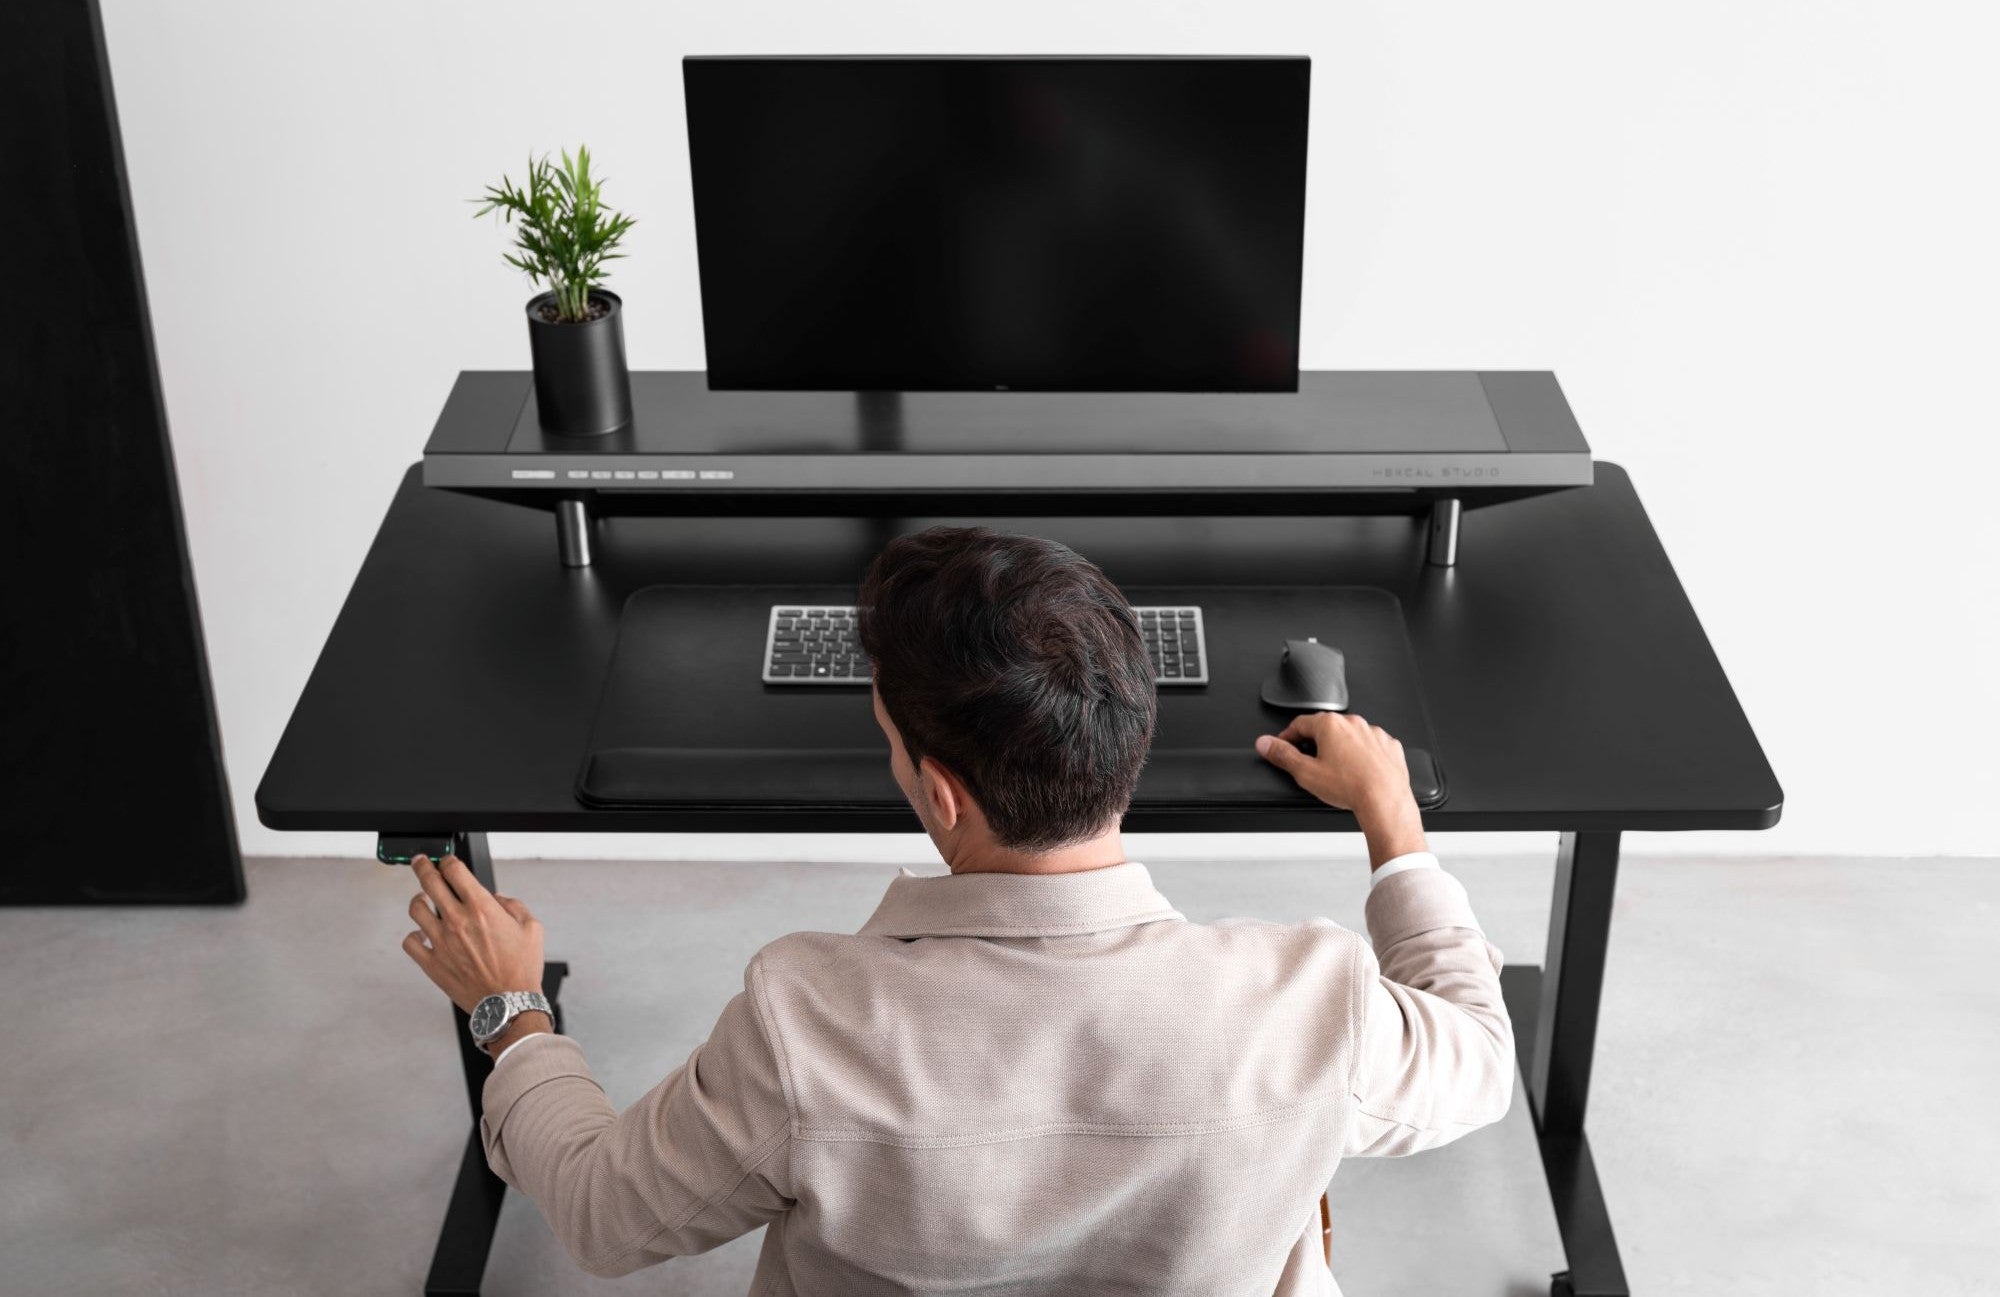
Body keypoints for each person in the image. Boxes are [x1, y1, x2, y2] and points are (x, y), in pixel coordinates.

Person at [400, 526, 1513, 1296]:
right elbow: (1477, 1058)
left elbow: (604, 1213)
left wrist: (508, 1010)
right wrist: (1390, 816)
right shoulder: (1308, 1006)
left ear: (937, 791)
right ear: (1130, 736)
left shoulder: (806, 1022)